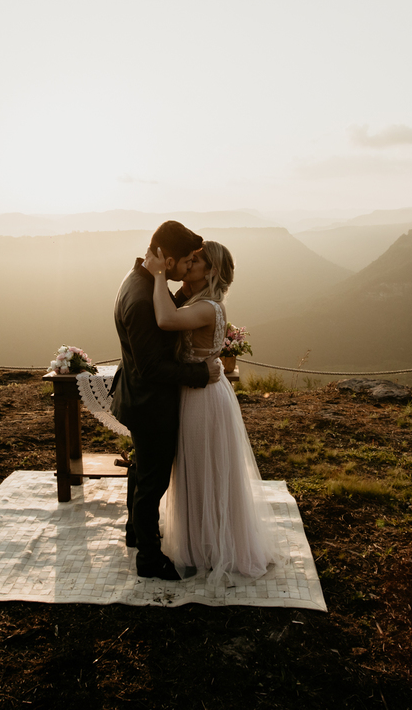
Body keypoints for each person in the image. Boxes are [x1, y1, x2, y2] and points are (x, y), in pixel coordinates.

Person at [142, 242, 285, 588]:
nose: (189, 263)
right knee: (199, 468)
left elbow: (165, 319)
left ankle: (211, 545)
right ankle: (204, 540)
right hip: (200, 391)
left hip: (202, 397)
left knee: (205, 469)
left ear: (211, 271)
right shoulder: (198, 300)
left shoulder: (207, 307)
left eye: (197, 261)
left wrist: (159, 274)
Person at [111, 221, 223, 581]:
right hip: (150, 404)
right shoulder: (142, 298)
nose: (190, 267)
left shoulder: (139, 281)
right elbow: (150, 367)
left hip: (140, 401)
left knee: (142, 470)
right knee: (153, 483)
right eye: (187, 261)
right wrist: (199, 374)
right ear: (169, 260)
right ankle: (149, 558)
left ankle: (134, 532)